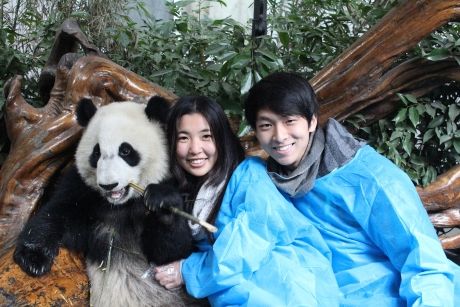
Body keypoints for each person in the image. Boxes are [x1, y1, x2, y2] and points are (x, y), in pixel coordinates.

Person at [244, 71, 460, 306]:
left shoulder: (370, 176)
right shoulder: (265, 179)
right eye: (266, 125)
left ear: (312, 121)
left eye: (289, 121)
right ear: (255, 131)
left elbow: (425, 262)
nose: (279, 136)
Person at [146, 95, 341, 306]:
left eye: (206, 136)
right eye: (184, 138)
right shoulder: (191, 192)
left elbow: (244, 248)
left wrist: (188, 271)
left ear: (222, 139)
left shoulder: (249, 175)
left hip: (289, 289)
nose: (194, 149)